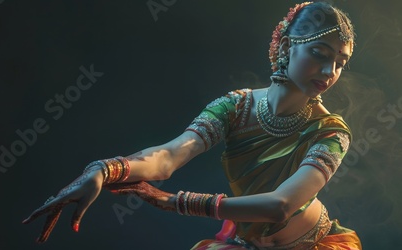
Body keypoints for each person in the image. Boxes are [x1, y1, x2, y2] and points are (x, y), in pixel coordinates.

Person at [22, 2, 363, 249]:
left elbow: (281, 206)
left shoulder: (331, 132)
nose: (330, 71)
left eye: (340, 62)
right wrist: (105, 170)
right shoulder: (235, 107)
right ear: (288, 47)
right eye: (320, 53)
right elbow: (169, 156)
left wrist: (178, 202)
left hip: (318, 243)